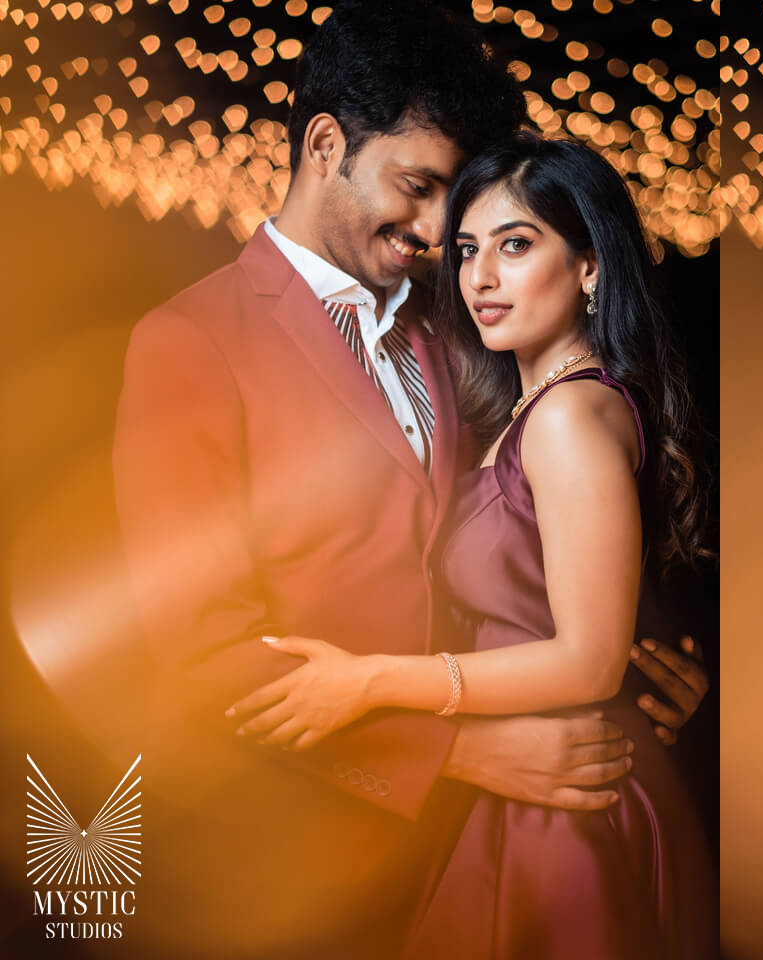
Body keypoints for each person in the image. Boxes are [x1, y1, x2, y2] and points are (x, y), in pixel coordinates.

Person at [111, 3, 708, 957]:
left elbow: (531, 530)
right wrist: (464, 755)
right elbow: (200, 654)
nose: (438, 230)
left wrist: (645, 659)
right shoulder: (191, 343)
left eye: (459, 209)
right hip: (302, 862)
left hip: (499, 844)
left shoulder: (461, 335)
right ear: (323, 145)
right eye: (418, 186)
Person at [226, 133, 717, 958]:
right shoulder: (522, 414)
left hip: (569, 797)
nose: (481, 278)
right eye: (466, 251)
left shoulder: (568, 418)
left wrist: (371, 683)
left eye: (516, 246)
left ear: (590, 267)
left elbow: (591, 661)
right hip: (514, 783)